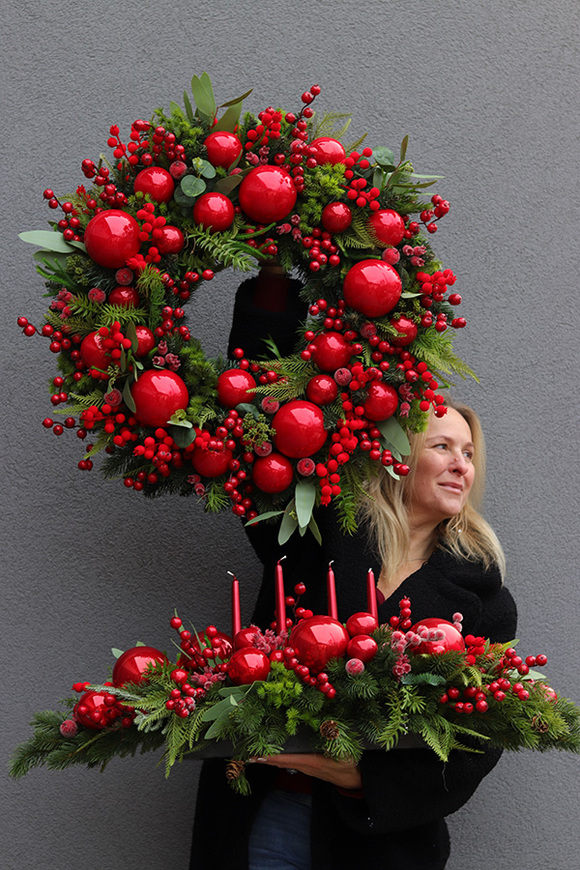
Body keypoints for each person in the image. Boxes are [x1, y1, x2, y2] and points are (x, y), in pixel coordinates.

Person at [190, 268, 517, 870]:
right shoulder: (317, 534)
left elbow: (478, 741)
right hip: (265, 817)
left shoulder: (485, 596)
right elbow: (264, 423)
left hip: (380, 843)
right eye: (442, 446)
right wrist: (271, 286)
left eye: (469, 454)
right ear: (398, 458)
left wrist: (363, 778)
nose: (460, 464)